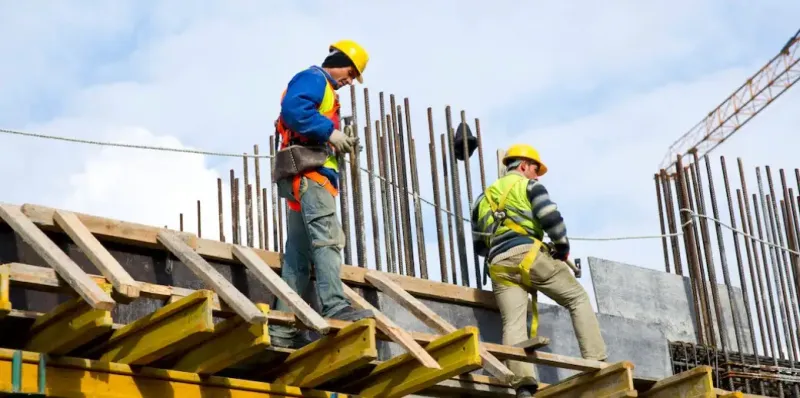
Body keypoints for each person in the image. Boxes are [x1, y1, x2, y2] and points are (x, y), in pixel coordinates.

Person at [470, 144, 607, 397]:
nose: (537, 175)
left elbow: (479, 245)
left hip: (498, 265)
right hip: (530, 255)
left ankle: (523, 385)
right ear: (523, 166)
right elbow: (550, 218)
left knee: (513, 322)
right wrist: (562, 247)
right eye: (535, 169)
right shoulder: (529, 186)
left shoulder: (482, 199)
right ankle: (597, 362)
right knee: (577, 299)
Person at [269, 40, 374, 349]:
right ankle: (335, 306)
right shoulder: (315, 79)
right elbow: (294, 110)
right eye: (351, 72)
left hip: (303, 178)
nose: (350, 80)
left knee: (298, 259)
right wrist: (330, 133)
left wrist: (338, 142)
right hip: (311, 178)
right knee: (328, 240)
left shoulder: (325, 91)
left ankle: (283, 329)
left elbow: (307, 123)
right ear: (338, 60)